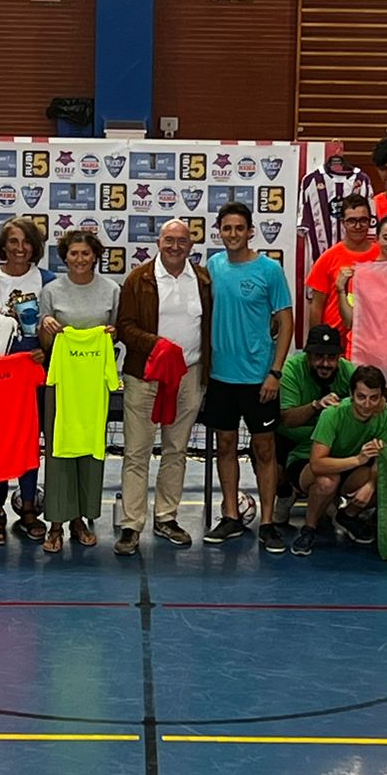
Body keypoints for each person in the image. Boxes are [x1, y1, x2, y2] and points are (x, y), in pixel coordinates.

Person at [115, 219, 212, 556]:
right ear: (158, 242)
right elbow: (125, 327)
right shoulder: (138, 278)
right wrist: (157, 345)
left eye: (182, 241)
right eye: (169, 240)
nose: (175, 246)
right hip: (145, 376)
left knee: (176, 449)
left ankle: (167, 517)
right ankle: (131, 524)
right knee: (136, 452)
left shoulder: (202, 280)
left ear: (191, 245)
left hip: (189, 375)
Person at [202, 202, 294, 552]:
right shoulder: (213, 266)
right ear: (219, 231)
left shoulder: (270, 270)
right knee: (225, 445)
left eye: (239, 228)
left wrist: (275, 372)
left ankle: (267, 523)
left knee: (264, 448)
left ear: (250, 231)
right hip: (221, 377)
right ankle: (231, 515)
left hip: (259, 379)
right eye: (227, 228)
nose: (233, 234)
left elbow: (285, 322)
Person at [0, 217, 53, 545]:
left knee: (29, 444)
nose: (20, 248)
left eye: (26, 241)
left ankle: (29, 507)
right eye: (13, 241)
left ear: (35, 246)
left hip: (32, 376)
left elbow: (55, 328)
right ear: (3, 246)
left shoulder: (47, 280)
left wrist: (46, 350)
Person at [37, 229, 121, 552]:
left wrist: (111, 334)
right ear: (64, 257)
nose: (80, 259)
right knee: (59, 452)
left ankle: (79, 520)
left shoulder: (112, 290)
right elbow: (46, 345)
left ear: (96, 256)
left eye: (86, 253)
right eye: (74, 253)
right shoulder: (51, 291)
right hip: (61, 384)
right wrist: (47, 328)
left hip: (93, 386)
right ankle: (55, 524)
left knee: (89, 451)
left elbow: (116, 335)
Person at [294, 363, 387, 553]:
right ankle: (309, 528)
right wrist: (358, 459)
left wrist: (370, 484)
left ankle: (347, 516)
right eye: (361, 397)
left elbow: (381, 456)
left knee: (385, 482)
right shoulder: (333, 413)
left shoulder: (384, 412)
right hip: (312, 467)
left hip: (351, 470)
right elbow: (317, 464)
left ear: (382, 397)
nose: (367, 404)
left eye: (374, 398)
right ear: (351, 394)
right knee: (327, 481)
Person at [275, 324, 353, 526]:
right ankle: (284, 493)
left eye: (331, 358)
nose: (325, 363)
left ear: (339, 357)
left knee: (328, 482)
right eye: (318, 356)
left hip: (327, 443)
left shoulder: (350, 373)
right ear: (308, 355)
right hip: (291, 439)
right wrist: (316, 406)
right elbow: (287, 419)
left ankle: (331, 498)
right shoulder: (291, 370)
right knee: (263, 452)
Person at [304, 193, 378, 345]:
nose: (358, 226)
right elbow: (316, 307)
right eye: (352, 221)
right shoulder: (327, 258)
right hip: (334, 343)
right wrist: (316, 345)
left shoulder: (381, 256)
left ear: (370, 221)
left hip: (371, 340)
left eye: (363, 220)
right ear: (343, 222)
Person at [296, 138, 374, 264]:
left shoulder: (362, 181)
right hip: (321, 262)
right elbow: (302, 227)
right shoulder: (310, 181)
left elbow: (372, 225)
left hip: (356, 261)